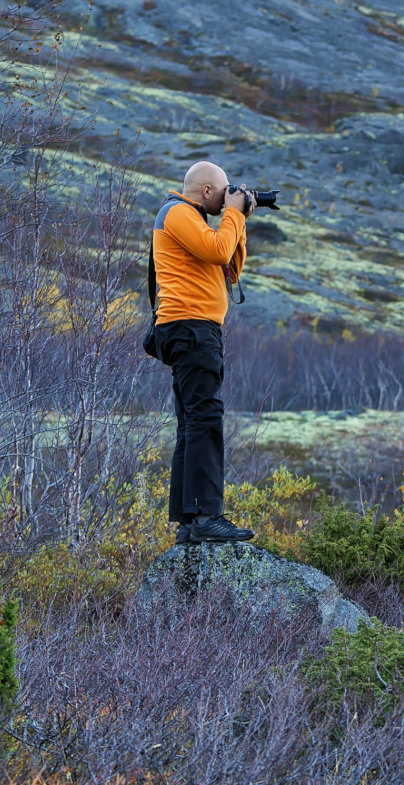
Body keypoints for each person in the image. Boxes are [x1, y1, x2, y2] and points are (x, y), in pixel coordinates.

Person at [151, 161, 257, 545]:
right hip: (190, 328)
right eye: (225, 191)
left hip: (195, 329)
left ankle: (189, 520)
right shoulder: (178, 212)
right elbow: (218, 249)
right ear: (208, 191)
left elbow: (229, 268)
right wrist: (233, 213)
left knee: (193, 420)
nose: (229, 196)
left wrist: (238, 218)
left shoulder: (193, 219)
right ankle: (206, 516)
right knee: (205, 418)